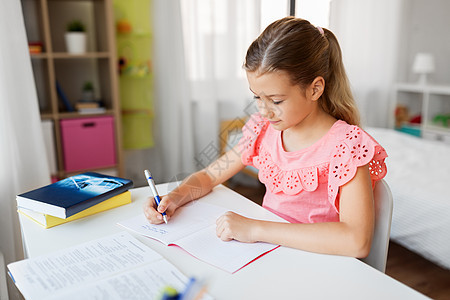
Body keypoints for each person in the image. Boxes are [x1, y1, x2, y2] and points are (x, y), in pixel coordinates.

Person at [143, 17, 387, 258]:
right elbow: (209, 176)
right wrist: (174, 197)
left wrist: (256, 228)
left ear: (315, 88)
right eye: (257, 97)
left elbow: (356, 241)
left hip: (318, 264)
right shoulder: (262, 130)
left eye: (276, 100)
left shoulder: (347, 146)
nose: (263, 110)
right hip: (269, 254)